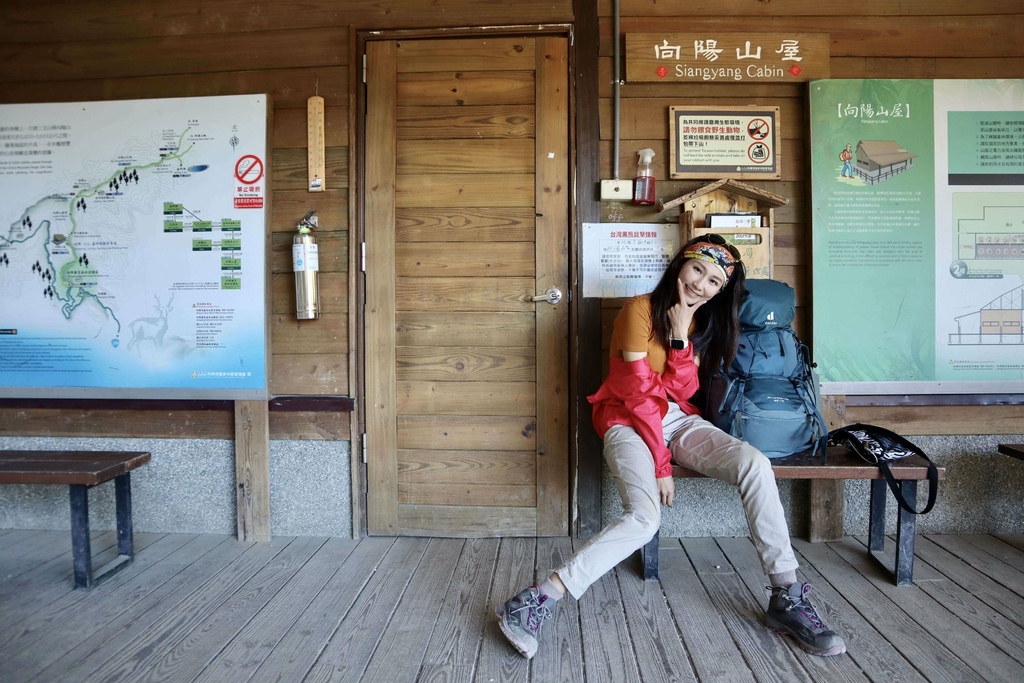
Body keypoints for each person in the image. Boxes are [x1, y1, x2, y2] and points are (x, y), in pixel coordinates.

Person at [496, 235, 846, 659]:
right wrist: (661, 463)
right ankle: (536, 599)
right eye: (697, 269)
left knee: (754, 463)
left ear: (721, 290)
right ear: (681, 264)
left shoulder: (702, 323)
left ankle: (786, 592)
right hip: (625, 419)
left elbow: (683, 390)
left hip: (674, 419)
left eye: (714, 281)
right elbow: (638, 393)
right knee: (645, 519)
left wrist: (681, 339)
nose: (701, 284)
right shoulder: (638, 310)